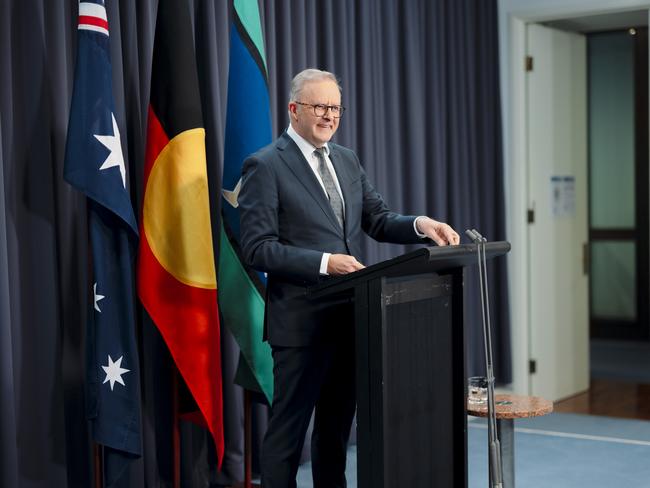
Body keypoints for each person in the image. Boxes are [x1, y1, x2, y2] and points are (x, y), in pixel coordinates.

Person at [238, 68, 459, 488]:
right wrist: (325, 262)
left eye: (335, 107)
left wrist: (421, 224)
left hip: (350, 318)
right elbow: (257, 248)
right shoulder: (264, 166)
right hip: (300, 325)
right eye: (319, 106)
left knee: (335, 433)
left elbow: (376, 219)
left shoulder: (347, 159)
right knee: (288, 435)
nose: (328, 115)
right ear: (294, 109)